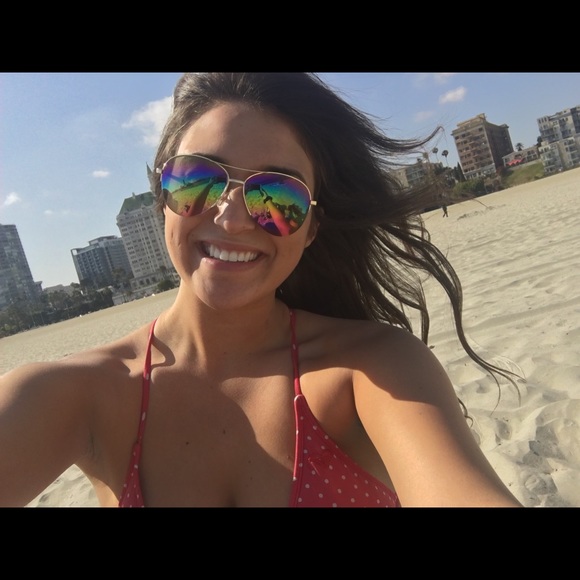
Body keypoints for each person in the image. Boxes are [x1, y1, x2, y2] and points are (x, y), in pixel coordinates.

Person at [0, 73, 522, 507]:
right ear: (162, 197)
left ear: (311, 227)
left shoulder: (371, 371)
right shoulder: (76, 395)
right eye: (197, 178)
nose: (231, 218)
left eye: (276, 194)